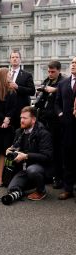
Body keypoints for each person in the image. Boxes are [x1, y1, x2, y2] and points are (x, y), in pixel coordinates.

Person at [5, 106, 52, 202]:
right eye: (21, 118)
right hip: (23, 169)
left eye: (25, 118)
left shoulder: (43, 133)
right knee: (11, 189)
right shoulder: (19, 131)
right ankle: (30, 186)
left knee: (32, 170)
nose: (21, 120)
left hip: (40, 168)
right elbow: (15, 146)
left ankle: (41, 191)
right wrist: (10, 150)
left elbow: (47, 156)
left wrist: (26, 156)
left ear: (33, 120)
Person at [35, 61, 66, 189]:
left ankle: (58, 177)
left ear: (59, 70)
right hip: (44, 119)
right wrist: (41, 92)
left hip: (56, 121)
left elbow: (67, 93)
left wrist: (55, 90)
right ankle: (48, 175)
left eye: (53, 71)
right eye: (49, 71)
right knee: (45, 148)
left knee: (57, 150)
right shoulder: (47, 80)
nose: (50, 74)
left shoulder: (64, 81)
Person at [55, 56, 76, 200]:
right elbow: (57, 103)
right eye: (73, 62)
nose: (73, 65)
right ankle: (68, 189)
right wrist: (61, 115)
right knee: (68, 158)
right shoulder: (63, 83)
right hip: (67, 127)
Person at [8, 51, 35, 129]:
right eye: (13, 57)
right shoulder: (5, 73)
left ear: (20, 60)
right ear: (10, 60)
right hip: (7, 109)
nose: (15, 59)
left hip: (20, 110)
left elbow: (32, 91)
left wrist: (18, 87)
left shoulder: (27, 75)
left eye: (17, 57)